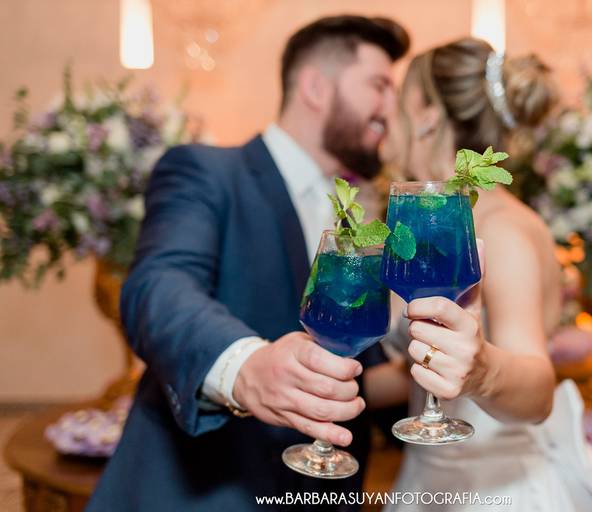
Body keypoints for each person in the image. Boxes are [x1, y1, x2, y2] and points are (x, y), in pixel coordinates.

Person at [86, 15, 409, 511]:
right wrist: (246, 368)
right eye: (379, 86)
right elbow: (158, 286)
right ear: (316, 87)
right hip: (206, 492)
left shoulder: (360, 211)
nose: (390, 108)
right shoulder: (207, 171)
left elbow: (353, 370)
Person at [369, 38, 592, 511]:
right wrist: (331, 384)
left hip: (495, 490)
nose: (384, 112)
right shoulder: (438, 225)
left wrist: (482, 371)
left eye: (398, 97)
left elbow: (538, 389)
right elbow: (427, 368)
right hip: (430, 474)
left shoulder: (501, 231)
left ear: (425, 115)